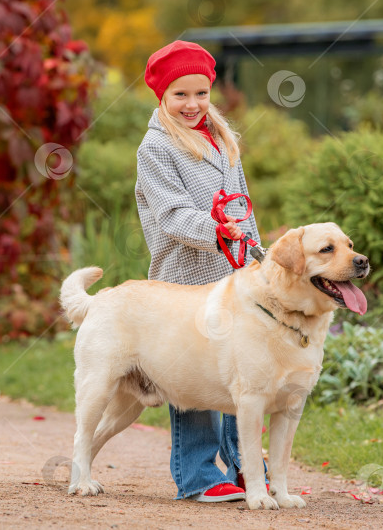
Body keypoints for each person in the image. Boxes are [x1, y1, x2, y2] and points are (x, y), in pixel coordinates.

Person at [134, 40, 262, 502]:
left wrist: (257, 255)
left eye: (201, 93)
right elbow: (172, 214)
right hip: (183, 278)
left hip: (232, 277)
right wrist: (218, 232)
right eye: (180, 95)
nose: (192, 104)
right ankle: (198, 476)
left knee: (241, 372)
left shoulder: (222, 139)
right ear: (162, 96)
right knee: (192, 375)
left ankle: (247, 466)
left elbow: (241, 206)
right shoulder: (155, 147)